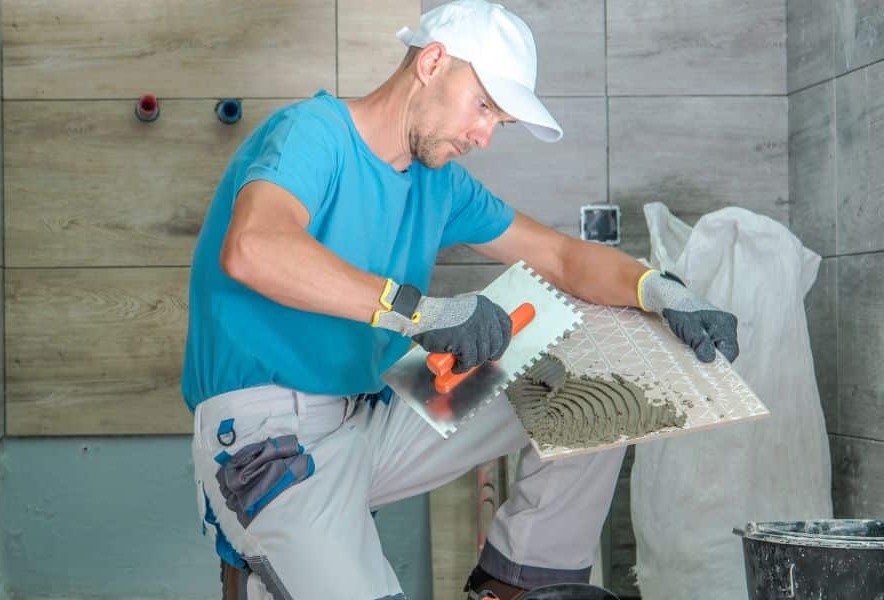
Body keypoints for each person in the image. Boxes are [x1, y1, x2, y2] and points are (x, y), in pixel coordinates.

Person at [181, 1, 740, 598]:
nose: (484, 135)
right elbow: (255, 248)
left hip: (372, 421)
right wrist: (425, 314)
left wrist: (658, 290)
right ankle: (264, 556)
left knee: (601, 354)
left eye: (498, 120)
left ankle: (519, 581)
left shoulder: (437, 182)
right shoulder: (311, 134)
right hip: (267, 439)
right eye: (483, 107)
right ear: (432, 62)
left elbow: (560, 259)